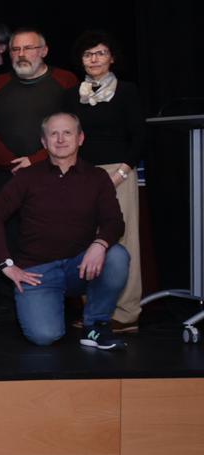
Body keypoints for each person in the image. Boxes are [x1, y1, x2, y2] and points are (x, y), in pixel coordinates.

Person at [0, 112, 130, 349]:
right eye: (54, 134)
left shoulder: (97, 177)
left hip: (80, 267)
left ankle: (95, 325)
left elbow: (114, 221)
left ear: (80, 138)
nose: (60, 139)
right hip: (37, 273)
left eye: (67, 133)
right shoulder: (27, 177)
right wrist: (6, 264)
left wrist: (100, 244)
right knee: (44, 336)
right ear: (44, 142)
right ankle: (49, 308)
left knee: (117, 256)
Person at [74, 32, 146, 335]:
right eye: (88, 54)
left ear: (112, 58)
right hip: (83, 175)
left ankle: (126, 314)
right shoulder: (73, 94)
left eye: (100, 53)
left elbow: (139, 138)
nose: (94, 59)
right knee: (86, 241)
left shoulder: (127, 91)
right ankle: (94, 311)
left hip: (119, 174)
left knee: (122, 242)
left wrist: (121, 173)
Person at [0, 27, 77, 197]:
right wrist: (12, 163)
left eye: (28, 48)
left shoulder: (66, 80)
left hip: (54, 173)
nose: (21, 54)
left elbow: (75, 128)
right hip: (6, 177)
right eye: (16, 49)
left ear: (44, 51)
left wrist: (35, 161)